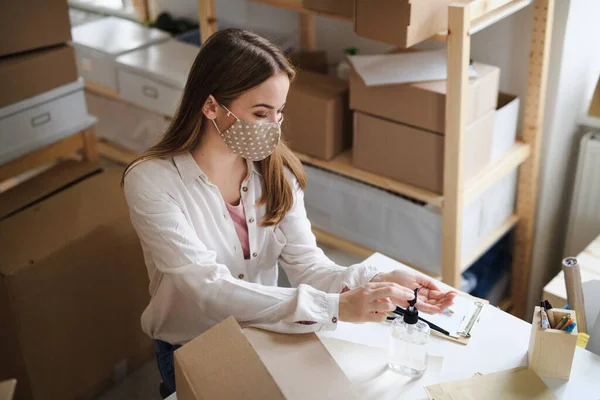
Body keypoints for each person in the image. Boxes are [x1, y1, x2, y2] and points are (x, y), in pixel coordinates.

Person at [122, 28, 456, 396]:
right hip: (192, 346)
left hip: (264, 333)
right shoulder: (151, 182)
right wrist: (336, 306)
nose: (273, 127)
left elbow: (309, 267)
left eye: (279, 113)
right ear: (211, 105)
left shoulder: (275, 173)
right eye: (261, 112)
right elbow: (208, 287)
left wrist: (375, 280)